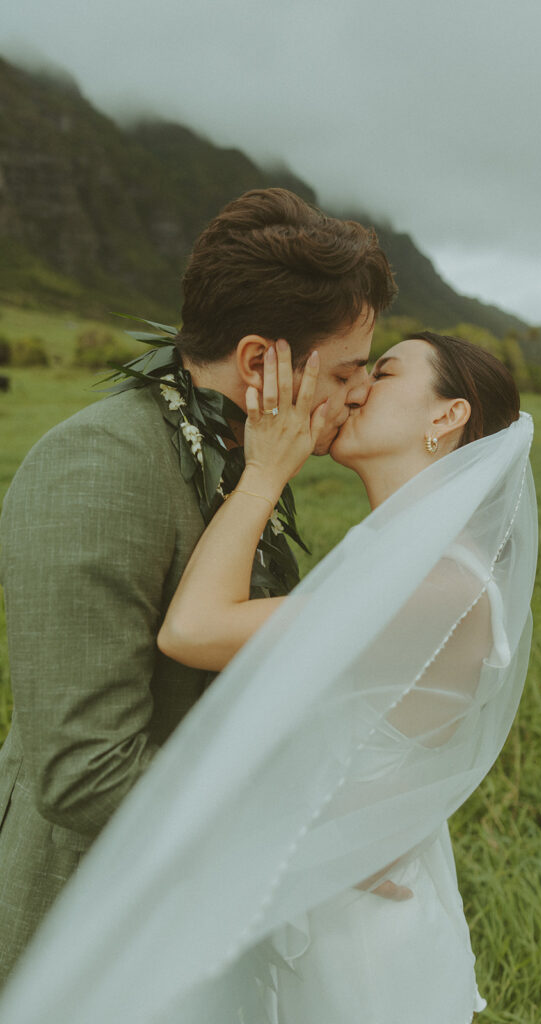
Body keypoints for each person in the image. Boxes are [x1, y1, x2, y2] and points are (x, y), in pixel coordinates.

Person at [0, 328, 536, 1024]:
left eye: (387, 372)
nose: (360, 388)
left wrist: (262, 474)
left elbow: (192, 630)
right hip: (317, 885)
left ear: (445, 416)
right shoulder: (416, 562)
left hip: (349, 930)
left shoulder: (431, 585)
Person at [0, 187, 397, 986]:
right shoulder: (98, 468)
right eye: (348, 370)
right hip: (87, 924)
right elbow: (84, 774)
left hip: (195, 903)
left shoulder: (248, 456)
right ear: (259, 360)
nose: (358, 394)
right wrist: (304, 835)